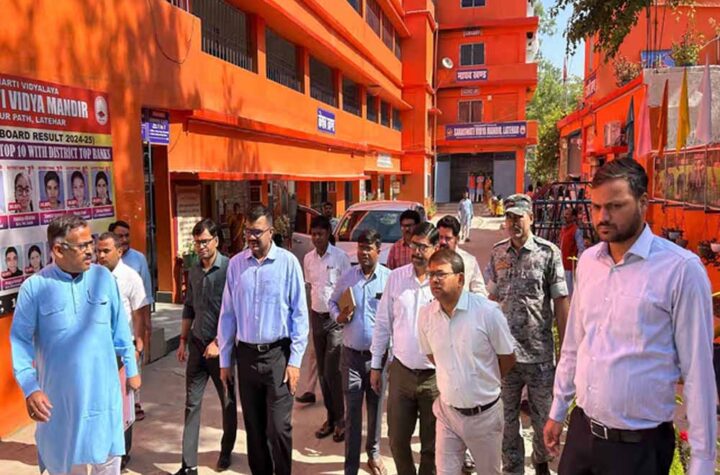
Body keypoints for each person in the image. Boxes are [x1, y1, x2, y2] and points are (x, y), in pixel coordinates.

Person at [544, 158, 718, 475]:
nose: (603, 217)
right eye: (596, 207)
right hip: (583, 435)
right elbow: (574, 345)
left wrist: (703, 462)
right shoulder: (589, 263)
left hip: (639, 449)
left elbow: (698, 373)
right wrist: (558, 409)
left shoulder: (681, 271)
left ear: (643, 203)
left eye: (615, 206)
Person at [10, 214, 140, 475]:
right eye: (83, 246)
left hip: (103, 398)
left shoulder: (104, 279)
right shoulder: (34, 288)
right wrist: (30, 388)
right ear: (58, 250)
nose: (91, 251)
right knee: (68, 466)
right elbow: (20, 342)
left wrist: (132, 369)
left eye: (91, 242)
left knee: (108, 462)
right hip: (60, 405)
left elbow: (120, 329)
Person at [218, 205, 308, 475]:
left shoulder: (288, 263)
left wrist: (295, 362)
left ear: (271, 231)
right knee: (255, 429)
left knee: (279, 428)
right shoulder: (236, 265)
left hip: (278, 356)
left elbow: (300, 315)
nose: (251, 237)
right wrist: (225, 360)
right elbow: (227, 315)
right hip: (246, 356)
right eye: (248, 231)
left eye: (257, 232)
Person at [486, 193, 569, 475]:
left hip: (539, 354)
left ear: (531, 218)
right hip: (506, 355)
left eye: (519, 217)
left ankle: (541, 464)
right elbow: (490, 299)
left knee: (543, 417)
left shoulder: (548, 253)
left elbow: (560, 301)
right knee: (506, 420)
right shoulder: (497, 253)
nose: (513, 223)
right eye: (509, 217)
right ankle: (512, 468)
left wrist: (566, 350)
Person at [419, 249, 516, 475]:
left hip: (484, 416)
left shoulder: (487, 313)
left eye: (441, 274)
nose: (434, 280)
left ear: (460, 278)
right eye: (431, 274)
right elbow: (433, 356)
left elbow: (508, 358)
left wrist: (481, 381)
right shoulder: (426, 315)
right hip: (447, 413)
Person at [370, 222, 439, 475]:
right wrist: (376, 365)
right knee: (397, 440)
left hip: (435, 378)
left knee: (432, 446)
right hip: (401, 373)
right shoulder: (396, 278)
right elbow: (382, 323)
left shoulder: (442, 280)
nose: (417, 252)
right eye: (414, 245)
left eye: (423, 247)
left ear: (435, 248)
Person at [172, 219, 237, 475]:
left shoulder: (229, 269)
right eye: (197, 242)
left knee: (227, 402)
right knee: (192, 404)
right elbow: (189, 306)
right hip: (197, 346)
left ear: (216, 241)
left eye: (205, 242)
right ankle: (189, 465)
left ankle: (226, 451)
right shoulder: (194, 270)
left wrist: (219, 342)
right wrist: (182, 340)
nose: (200, 247)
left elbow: (236, 311)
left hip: (222, 350)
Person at [329, 229, 391, 475]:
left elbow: (395, 316)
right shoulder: (348, 277)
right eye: (360, 247)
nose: (363, 252)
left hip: (378, 359)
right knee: (353, 412)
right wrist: (338, 316)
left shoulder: (388, 279)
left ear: (378, 250)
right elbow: (332, 302)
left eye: (368, 248)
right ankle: (351, 467)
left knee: (375, 409)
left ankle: (373, 454)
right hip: (352, 357)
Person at [96, 231, 148, 471]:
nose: (101, 255)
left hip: (123, 350)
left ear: (119, 251)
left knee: (124, 404)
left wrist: (138, 344)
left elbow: (139, 313)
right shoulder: (93, 277)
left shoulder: (130, 277)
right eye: (98, 251)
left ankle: (123, 452)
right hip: (99, 351)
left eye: (106, 251)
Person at [301, 215, 351, 441]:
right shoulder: (308, 259)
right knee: (322, 372)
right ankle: (330, 418)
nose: (316, 238)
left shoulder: (340, 258)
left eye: (320, 234)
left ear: (328, 234)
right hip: (316, 317)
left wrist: (345, 317)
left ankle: (341, 420)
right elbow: (310, 287)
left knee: (333, 372)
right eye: (313, 234)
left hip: (335, 321)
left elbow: (349, 289)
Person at [109, 220, 153, 416]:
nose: (125, 239)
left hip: (132, 324)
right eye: (120, 236)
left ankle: (135, 403)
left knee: (134, 362)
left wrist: (146, 326)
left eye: (127, 235)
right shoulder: (102, 265)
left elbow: (145, 295)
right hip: (110, 330)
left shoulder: (138, 259)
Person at [436, 215, 487, 296]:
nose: (442, 242)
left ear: (457, 239)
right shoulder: (430, 260)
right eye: (440, 237)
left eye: (447, 238)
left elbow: (479, 290)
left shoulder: (469, 261)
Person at [558, 207, 585, 296]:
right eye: (564, 214)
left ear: (573, 217)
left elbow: (581, 249)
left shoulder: (576, 231)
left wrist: (577, 264)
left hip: (570, 267)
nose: (564, 216)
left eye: (567, 214)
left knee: (570, 294)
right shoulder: (563, 230)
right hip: (562, 266)